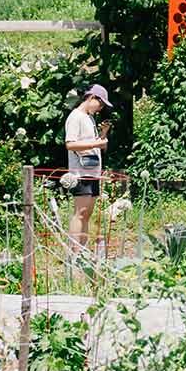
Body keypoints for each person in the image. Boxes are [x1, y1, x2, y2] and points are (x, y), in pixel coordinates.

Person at [65, 84, 112, 252]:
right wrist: (97, 142)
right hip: (80, 173)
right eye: (100, 104)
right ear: (92, 98)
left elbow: (97, 146)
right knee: (80, 212)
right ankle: (74, 252)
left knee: (87, 214)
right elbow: (70, 144)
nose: (100, 109)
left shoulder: (89, 118)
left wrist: (103, 134)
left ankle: (82, 251)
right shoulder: (75, 117)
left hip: (92, 172)